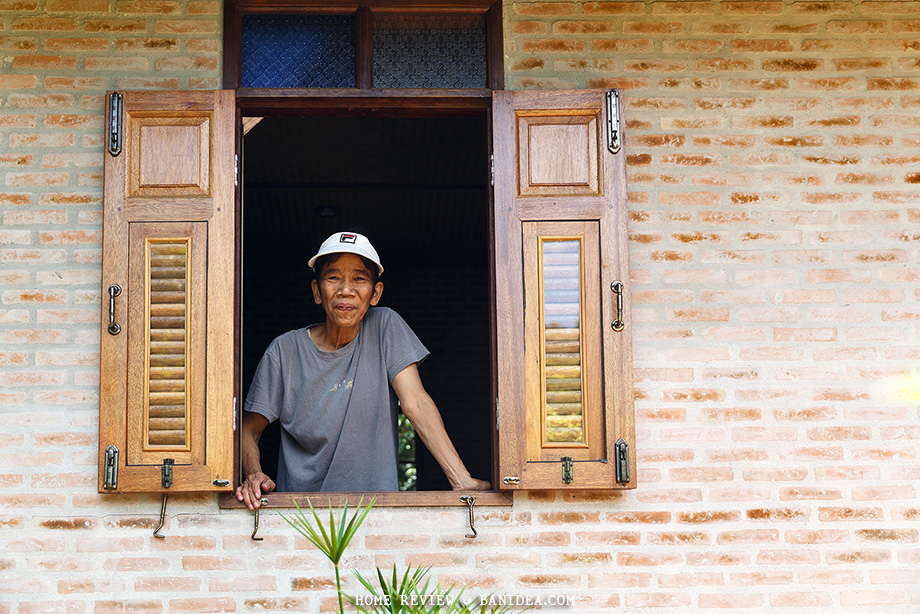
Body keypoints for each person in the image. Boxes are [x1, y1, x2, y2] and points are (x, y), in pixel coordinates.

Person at [235, 231, 490, 509]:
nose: (346, 290)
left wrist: (460, 479)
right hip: (302, 513)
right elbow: (248, 430)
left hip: (375, 511)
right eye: (333, 277)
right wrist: (253, 474)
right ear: (317, 291)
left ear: (375, 293)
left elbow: (415, 402)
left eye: (359, 278)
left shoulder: (385, 327)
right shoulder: (284, 351)